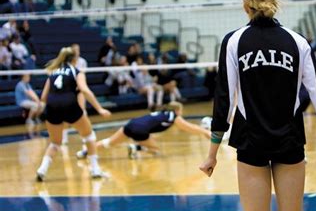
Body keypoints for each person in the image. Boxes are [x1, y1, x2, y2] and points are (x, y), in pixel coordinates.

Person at [199, 0, 316, 211]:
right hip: (290, 139)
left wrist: (212, 154)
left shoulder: (233, 41)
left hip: (250, 140)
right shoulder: (298, 41)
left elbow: (224, 99)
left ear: (246, 6)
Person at [36, 47, 111, 181]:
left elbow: (43, 97)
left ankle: (42, 169)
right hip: (69, 104)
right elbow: (85, 90)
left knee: (55, 143)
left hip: (52, 106)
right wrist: (99, 109)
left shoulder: (52, 73)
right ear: (75, 59)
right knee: (89, 136)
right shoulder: (76, 71)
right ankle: (95, 169)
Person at [76, 101, 210, 159]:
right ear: (176, 110)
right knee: (156, 150)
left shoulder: (161, 114)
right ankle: (136, 148)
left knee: (108, 142)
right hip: (140, 131)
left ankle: (84, 152)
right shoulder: (173, 116)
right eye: (181, 110)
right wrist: (205, 132)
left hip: (131, 124)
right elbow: (190, 128)